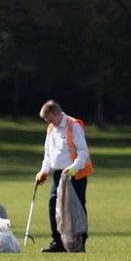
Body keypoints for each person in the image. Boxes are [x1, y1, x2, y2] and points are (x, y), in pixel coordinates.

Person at [35, 100, 92, 252]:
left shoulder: (74, 125)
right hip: (58, 174)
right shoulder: (51, 129)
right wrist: (43, 171)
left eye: (49, 119)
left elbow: (83, 152)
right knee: (54, 204)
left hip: (75, 173)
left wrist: (73, 169)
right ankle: (58, 242)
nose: (48, 122)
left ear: (56, 113)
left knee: (77, 207)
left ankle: (80, 241)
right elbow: (48, 154)